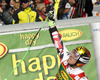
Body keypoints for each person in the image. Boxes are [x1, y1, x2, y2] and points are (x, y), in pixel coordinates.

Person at [47, 11, 91, 80]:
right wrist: (51, 23)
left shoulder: (81, 78)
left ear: (80, 62)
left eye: (75, 55)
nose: (71, 56)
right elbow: (57, 41)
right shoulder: (65, 59)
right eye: (73, 52)